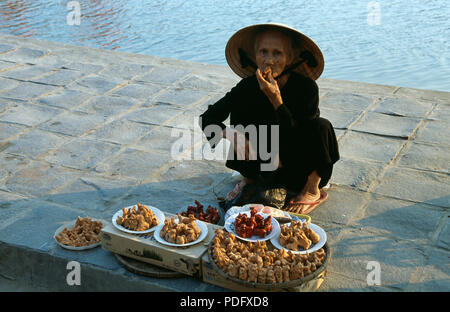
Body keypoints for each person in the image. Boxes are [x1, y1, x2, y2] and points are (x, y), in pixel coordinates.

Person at [199, 24, 339, 215]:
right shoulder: (247, 86)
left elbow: (299, 136)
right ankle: (249, 178)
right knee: (240, 110)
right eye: (263, 52)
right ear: (255, 56)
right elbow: (207, 118)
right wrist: (230, 134)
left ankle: (312, 190)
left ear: (289, 57)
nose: (269, 60)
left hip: (298, 170)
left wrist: (276, 99)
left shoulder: (306, 88)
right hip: (263, 168)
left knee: (321, 126)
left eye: (277, 53)